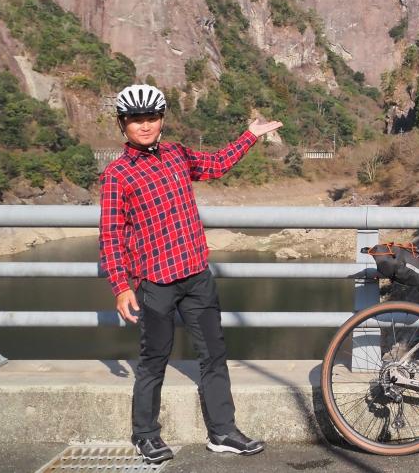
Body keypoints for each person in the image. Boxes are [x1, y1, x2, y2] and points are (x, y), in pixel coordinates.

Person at [98, 83, 283, 463]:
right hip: (156, 282)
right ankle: (146, 434)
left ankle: (223, 431)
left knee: (214, 354)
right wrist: (120, 286)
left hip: (197, 274)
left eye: (151, 117)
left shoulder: (178, 154)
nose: (144, 125)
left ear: (162, 119)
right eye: (136, 119)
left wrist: (250, 136)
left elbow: (215, 165)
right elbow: (111, 234)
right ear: (123, 124)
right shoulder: (118, 174)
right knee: (153, 360)